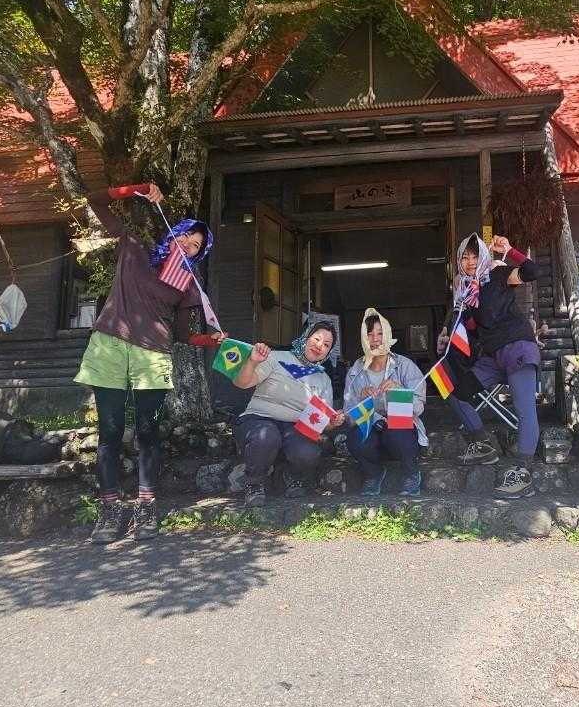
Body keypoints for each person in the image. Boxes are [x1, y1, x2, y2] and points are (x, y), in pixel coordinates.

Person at [74, 182, 225, 543]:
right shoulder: (133, 248)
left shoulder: (187, 285)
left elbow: (184, 336)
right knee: (110, 431)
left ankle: (146, 505)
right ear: (172, 235)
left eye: (196, 246)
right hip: (108, 346)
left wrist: (212, 340)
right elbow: (94, 200)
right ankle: (110, 508)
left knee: (147, 431)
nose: (189, 245)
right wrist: (135, 190)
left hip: (153, 355)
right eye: (186, 237)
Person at [438, 233, 541, 499]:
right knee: (454, 391)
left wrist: (510, 250)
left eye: (475, 256)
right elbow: (471, 332)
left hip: (517, 347)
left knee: (524, 408)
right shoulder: (466, 293)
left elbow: (532, 271)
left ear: (483, 256)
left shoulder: (497, 274)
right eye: (465, 257)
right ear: (459, 261)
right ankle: (482, 444)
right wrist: (448, 337)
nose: (471, 262)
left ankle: (523, 472)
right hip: (493, 357)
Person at [233, 320, 345, 506]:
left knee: (308, 452)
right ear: (305, 337)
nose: (320, 346)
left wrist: (332, 423)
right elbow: (242, 383)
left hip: (295, 428)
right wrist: (252, 361)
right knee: (267, 436)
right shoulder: (276, 357)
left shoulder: (323, 378)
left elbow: (321, 422)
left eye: (326, 345)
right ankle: (254, 484)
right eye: (316, 339)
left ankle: (291, 476)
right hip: (258, 418)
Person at [342, 309, 428, 496]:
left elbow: (419, 406)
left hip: (402, 437)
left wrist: (399, 391)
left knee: (397, 427)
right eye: (370, 334)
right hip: (372, 432)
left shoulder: (404, 365)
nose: (375, 339)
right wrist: (360, 399)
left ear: (388, 335)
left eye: (380, 333)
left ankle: (411, 473)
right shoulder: (356, 370)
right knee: (355, 437)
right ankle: (373, 474)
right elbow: (348, 415)